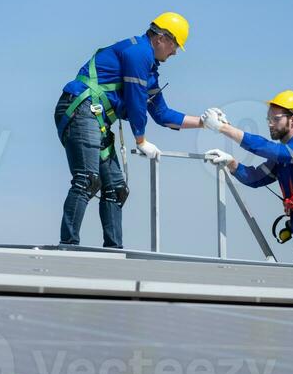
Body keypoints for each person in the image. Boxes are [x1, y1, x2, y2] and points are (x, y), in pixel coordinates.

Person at [55, 13, 208, 248]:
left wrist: (204, 122)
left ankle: (113, 251)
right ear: (160, 38)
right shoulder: (139, 54)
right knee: (86, 180)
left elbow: (162, 114)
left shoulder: (148, 68)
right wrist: (141, 139)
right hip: (82, 109)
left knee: (116, 189)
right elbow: (136, 101)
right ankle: (68, 246)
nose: (175, 52)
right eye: (175, 44)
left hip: (95, 116)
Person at [200, 90, 293, 265]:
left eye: (276, 119)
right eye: (269, 119)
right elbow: (255, 178)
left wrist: (223, 128)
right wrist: (231, 163)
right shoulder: (285, 157)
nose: (270, 124)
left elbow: (265, 147)